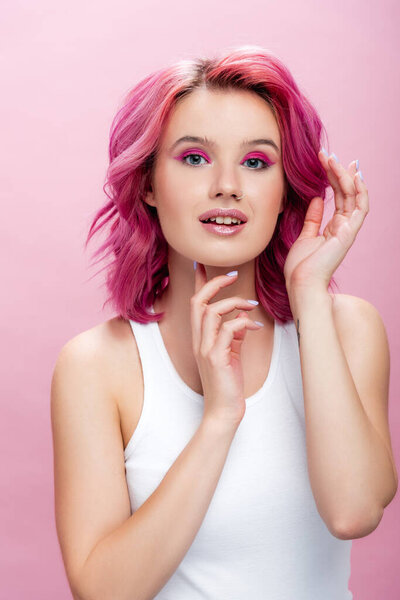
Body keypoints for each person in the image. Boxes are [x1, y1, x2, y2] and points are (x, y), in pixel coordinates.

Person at [51, 45, 397, 600]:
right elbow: (103, 591)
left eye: (257, 162)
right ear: (146, 183)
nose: (227, 185)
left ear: (285, 189)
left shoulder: (348, 328)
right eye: (194, 158)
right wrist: (219, 420)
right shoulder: (97, 366)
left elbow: (354, 511)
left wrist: (307, 295)